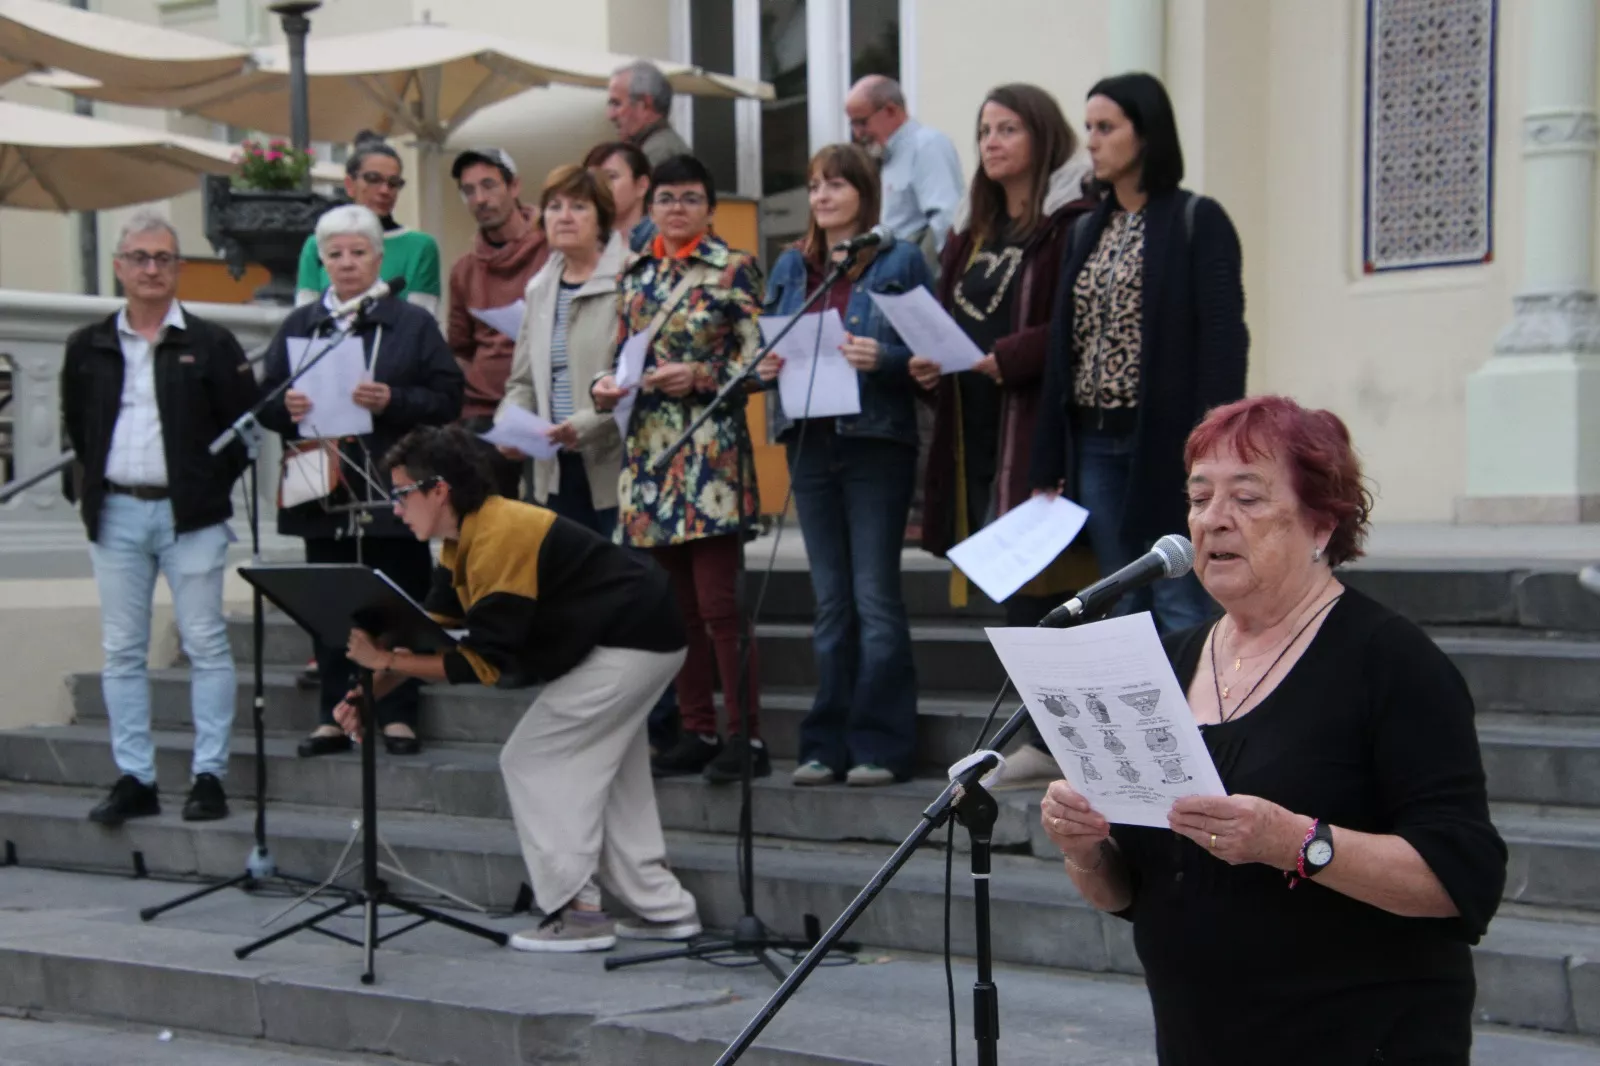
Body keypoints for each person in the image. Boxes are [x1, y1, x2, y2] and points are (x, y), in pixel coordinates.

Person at [1040, 395, 1508, 1064]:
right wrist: (1084, 847)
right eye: (1199, 498)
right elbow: (1136, 894)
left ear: (1322, 523)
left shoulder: (1392, 664)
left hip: (1364, 1039)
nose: (1213, 520)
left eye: (1248, 498)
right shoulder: (1166, 663)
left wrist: (1295, 843)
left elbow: (1463, 878)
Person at [333, 425, 700, 952]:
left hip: (633, 640)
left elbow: (485, 662)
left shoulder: (500, 535)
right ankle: (665, 910)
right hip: (632, 636)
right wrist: (370, 691)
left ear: (438, 489)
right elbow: (428, 632)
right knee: (614, 773)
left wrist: (384, 661)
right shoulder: (462, 539)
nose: (396, 508)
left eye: (400, 494)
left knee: (532, 758)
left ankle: (580, 913)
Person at [1031, 72, 1249, 635]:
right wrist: (1048, 459)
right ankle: (1136, 723)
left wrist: (1213, 442)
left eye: (1106, 127)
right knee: (1119, 595)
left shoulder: (1197, 220)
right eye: (1088, 128)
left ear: (1145, 134)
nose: (1093, 142)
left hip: (1169, 442)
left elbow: (1225, 340)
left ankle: (1198, 721)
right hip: (1096, 443)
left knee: (1179, 595)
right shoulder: (1086, 231)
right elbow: (1064, 347)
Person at [61, 212, 259, 826]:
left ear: (178, 268)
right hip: (117, 510)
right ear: (119, 266)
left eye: (164, 258)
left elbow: (241, 433)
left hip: (190, 517)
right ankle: (135, 778)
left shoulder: (211, 342)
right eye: (140, 257)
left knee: (205, 643)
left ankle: (208, 776)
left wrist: (201, 487)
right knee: (122, 650)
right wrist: (96, 489)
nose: (152, 268)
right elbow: (79, 429)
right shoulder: (88, 344)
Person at [259, 204, 463, 759]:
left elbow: (449, 398)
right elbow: (264, 402)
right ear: (321, 261)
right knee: (329, 605)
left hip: (392, 486)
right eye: (335, 254)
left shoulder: (410, 324)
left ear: (378, 257)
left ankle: (396, 712)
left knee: (397, 600)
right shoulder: (303, 326)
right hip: (324, 486)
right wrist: (286, 404)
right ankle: (334, 714)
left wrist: (394, 399)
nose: (346, 264)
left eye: (358, 252)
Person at [754, 144, 930, 787]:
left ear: (863, 192)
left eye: (835, 184)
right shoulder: (792, 266)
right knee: (830, 602)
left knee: (874, 597)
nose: (822, 196)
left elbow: (927, 346)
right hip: (810, 440)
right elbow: (769, 344)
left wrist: (879, 357)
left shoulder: (899, 259)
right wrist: (766, 367)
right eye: (813, 185)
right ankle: (824, 743)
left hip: (875, 441)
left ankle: (880, 744)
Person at [591, 154, 767, 784]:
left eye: (690, 198)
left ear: (709, 208)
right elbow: (616, 355)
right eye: (666, 197)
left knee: (720, 606)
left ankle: (745, 736)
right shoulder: (635, 273)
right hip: (648, 457)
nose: (676, 208)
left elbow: (760, 363)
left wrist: (701, 375)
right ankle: (696, 728)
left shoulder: (735, 268)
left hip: (709, 456)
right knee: (675, 607)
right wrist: (604, 386)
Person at [498, 165, 626, 538]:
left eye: (579, 206)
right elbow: (522, 380)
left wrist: (583, 427)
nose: (564, 217)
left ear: (602, 218)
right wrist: (511, 425)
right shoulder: (540, 288)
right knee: (570, 589)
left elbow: (633, 378)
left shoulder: (631, 278)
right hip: (553, 467)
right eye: (554, 206)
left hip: (614, 464)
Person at [446, 146, 549, 498]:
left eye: (489, 185)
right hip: (484, 412)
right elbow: (460, 350)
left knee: (550, 527)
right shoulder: (464, 270)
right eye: (469, 190)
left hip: (546, 406)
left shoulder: (553, 250)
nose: (480, 198)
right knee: (483, 525)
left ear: (514, 186)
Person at [295, 131, 442, 315]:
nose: (384, 190)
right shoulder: (317, 244)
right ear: (350, 184)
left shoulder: (420, 246)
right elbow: (304, 316)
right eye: (373, 179)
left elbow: (422, 321)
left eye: (393, 182)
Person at [844, 74, 965, 259]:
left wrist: (938, 277)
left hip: (921, 276)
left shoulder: (926, 145)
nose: (857, 134)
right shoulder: (884, 156)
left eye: (862, 123)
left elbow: (946, 221)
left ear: (891, 110)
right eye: (852, 125)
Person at [607, 60, 692, 167]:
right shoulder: (662, 146)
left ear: (645, 105)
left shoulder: (657, 154)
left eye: (617, 104)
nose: (610, 115)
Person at [584, 140, 657, 253]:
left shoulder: (665, 240)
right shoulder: (583, 243)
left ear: (641, 186)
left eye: (611, 177)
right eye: (593, 179)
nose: (600, 186)